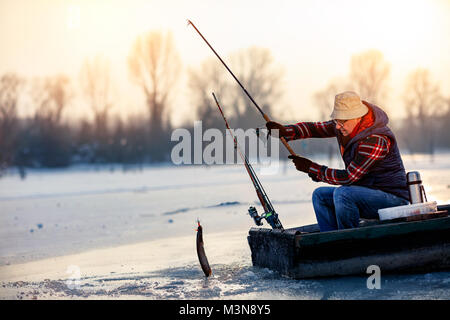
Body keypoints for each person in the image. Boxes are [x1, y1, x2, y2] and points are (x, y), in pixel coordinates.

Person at [266, 91, 409, 231]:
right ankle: (330, 240)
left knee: (343, 194)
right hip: (366, 192)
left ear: (357, 117)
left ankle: (347, 242)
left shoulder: (375, 139)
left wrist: (311, 168)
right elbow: (314, 129)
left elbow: (349, 177)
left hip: (393, 199)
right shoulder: (345, 127)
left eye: (342, 121)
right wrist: (285, 131)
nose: (338, 126)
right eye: (337, 121)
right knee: (320, 195)